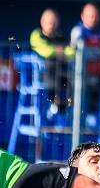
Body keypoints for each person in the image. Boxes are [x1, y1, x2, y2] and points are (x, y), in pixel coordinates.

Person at [28, 8, 74, 154]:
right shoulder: (36, 35)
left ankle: (62, 108)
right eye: (49, 22)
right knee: (51, 76)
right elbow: (44, 51)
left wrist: (60, 51)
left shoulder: (61, 36)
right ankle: (54, 104)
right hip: (45, 75)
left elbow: (71, 53)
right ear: (42, 22)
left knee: (74, 82)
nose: (51, 25)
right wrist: (59, 51)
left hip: (63, 73)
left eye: (54, 22)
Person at [70, 3, 100, 121]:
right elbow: (75, 49)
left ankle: (94, 115)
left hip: (98, 75)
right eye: (90, 16)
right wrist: (96, 53)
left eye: (95, 16)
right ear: (83, 16)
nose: (93, 18)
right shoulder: (78, 31)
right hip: (79, 74)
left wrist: (96, 54)